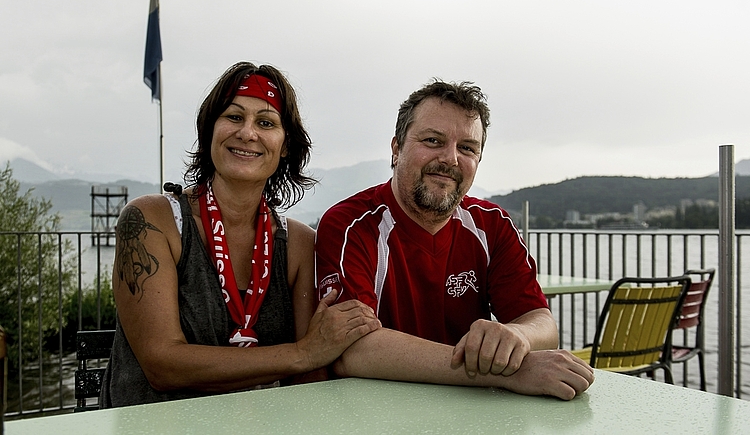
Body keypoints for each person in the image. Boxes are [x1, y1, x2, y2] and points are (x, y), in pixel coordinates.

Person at [100, 62, 380, 407]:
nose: (248, 133)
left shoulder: (299, 244)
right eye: (234, 117)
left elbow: (311, 375)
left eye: (266, 122)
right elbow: (162, 365)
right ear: (209, 129)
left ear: (286, 145)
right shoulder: (151, 220)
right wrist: (302, 353)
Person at [315, 79, 594, 401]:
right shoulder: (351, 224)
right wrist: (508, 371)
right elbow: (352, 350)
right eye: (433, 141)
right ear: (396, 148)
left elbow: (540, 321)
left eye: (467, 148)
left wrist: (516, 336)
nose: (450, 159)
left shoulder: (493, 225)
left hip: (472, 409)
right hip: (374, 409)